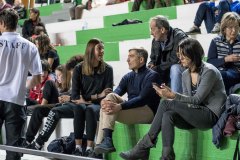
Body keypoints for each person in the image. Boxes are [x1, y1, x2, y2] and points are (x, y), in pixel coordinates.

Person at [119, 38, 227, 160]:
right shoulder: (185, 74)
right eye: (179, 54)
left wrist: (173, 96)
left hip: (210, 115)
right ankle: (166, 156)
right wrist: (170, 94)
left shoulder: (209, 71)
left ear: (193, 54)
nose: (180, 58)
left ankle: (143, 146)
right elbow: (188, 101)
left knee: (166, 104)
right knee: (168, 115)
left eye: (183, 55)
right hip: (195, 113)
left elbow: (196, 99)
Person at [27, 38, 113, 159]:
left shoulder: (108, 69)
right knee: (47, 109)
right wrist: (96, 96)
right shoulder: (79, 68)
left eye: (103, 48)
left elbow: (107, 94)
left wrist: (90, 98)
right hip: (77, 103)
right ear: (90, 50)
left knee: (85, 109)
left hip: (90, 105)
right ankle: (33, 142)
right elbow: (76, 95)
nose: (102, 51)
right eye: (99, 48)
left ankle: (88, 149)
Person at [94, 47, 161, 155]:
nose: (127, 60)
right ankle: (104, 143)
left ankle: (100, 146)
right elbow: (116, 92)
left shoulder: (153, 75)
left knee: (108, 108)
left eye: (131, 56)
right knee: (108, 101)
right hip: (132, 109)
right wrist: (104, 101)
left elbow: (142, 99)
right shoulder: (127, 77)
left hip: (148, 112)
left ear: (141, 60)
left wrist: (120, 106)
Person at [0, 9, 42, 160]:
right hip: (16, 101)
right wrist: (21, 85)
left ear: (2, 23)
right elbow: (37, 79)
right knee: (14, 149)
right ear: (17, 24)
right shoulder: (30, 46)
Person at [23, 64, 72, 148]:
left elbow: (75, 98)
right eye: (56, 75)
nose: (57, 77)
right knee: (38, 109)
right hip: (54, 104)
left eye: (60, 75)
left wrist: (67, 98)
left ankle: (37, 143)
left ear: (66, 74)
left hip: (63, 106)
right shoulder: (58, 86)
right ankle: (27, 140)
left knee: (49, 83)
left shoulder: (72, 85)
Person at [148, 15, 188, 93]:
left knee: (175, 68)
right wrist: (151, 64)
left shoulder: (179, 37)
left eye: (152, 29)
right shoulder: (155, 41)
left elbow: (175, 60)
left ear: (162, 29)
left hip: (182, 71)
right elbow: (153, 59)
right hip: (164, 71)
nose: (151, 33)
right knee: (147, 72)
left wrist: (156, 68)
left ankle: (175, 101)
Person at [207, 12, 240, 94]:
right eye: (230, 27)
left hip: (236, 73)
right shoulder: (216, 41)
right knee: (216, 74)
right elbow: (210, 62)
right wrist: (225, 59)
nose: (234, 31)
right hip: (219, 72)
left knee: (221, 75)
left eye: (236, 27)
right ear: (224, 28)